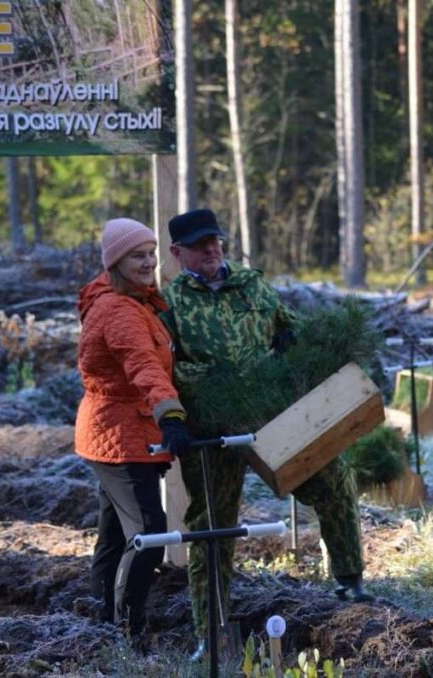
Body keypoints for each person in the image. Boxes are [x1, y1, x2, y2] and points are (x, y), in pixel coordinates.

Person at [159, 208, 371, 649]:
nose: (212, 250)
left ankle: (350, 580)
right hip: (211, 431)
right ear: (178, 253)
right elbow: (167, 369)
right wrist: (194, 398)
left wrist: (305, 348)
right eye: (199, 245)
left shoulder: (252, 285)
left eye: (215, 241)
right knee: (212, 525)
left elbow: (292, 329)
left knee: (334, 479)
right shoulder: (171, 303)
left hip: (270, 417)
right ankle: (210, 631)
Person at [74, 218, 194, 640]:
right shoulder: (119, 311)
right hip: (121, 438)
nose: (147, 263)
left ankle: (101, 618)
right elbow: (143, 366)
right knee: (148, 533)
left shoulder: (138, 301)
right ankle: (129, 630)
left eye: (150, 254)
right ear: (116, 262)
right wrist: (171, 414)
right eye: (137, 256)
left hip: (122, 432)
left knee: (113, 534)